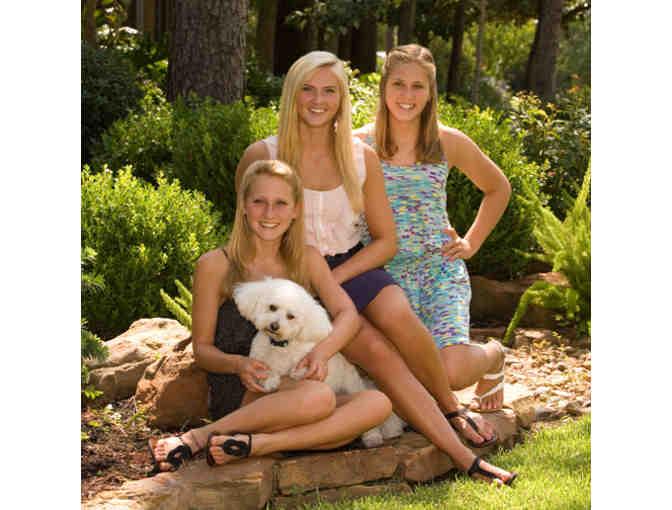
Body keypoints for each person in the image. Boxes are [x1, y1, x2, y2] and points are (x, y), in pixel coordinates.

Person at [236, 51, 517, 485]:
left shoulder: (356, 153)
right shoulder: (264, 153)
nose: (318, 100)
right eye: (308, 89)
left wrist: (333, 280)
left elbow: (386, 239)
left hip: (356, 264)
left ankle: (451, 410)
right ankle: (464, 455)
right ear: (291, 93)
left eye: (329, 91)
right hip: (296, 273)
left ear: (343, 98)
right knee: (379, 354)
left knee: (399, 319)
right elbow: (246, 230)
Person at [148, 159, 393, 473]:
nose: (269, 213)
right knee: (320, 398)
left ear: (296, 210)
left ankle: (257, 445)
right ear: (243, 205)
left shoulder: (307, 259)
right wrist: (238, 364)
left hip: (298, 388)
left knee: (377, 404)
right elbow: (202, 350)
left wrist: (322, 353)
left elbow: (348, 315)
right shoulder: (215, 264)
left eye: (280, 204)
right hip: (247, 392)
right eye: (259, 202)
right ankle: (198, 438)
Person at [353, 44, 512, 414]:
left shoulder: (446, 142)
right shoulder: (357, 143)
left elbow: (498, 188)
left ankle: (493, 355)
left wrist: (471, 243)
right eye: (398, 84)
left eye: (417, 86)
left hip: (438, 271)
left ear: (430, 92)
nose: (407, 95)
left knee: (450, 373)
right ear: (384, 87)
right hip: (381, 278)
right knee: (395, 375)